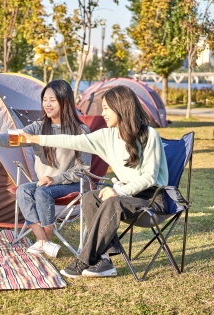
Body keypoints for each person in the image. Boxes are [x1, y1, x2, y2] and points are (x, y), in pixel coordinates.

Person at [23, 85, 169, 278]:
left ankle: (83, 260)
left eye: (107, 108)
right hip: (128, 197)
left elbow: (150, 177)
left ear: (121, 107)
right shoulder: (107, 136)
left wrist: (118, 192)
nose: (103, 113)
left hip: (153, 201)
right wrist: (35, 138)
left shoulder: (149, 135)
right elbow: (71, 141)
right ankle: (105, 260)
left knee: (112, 201)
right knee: (91, 197)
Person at [0, 80, 91, 257]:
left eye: (53, 100)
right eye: (45, 99)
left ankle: (45, 240)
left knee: (42, 192)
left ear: (65, 101)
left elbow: (83, 169)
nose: (47, 104)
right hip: (43, 184)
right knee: (23, 191)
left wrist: (55, 179)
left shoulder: (80, 131)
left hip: (71, 183)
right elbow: (16, 137)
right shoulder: (39, 127)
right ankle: (43, 241)